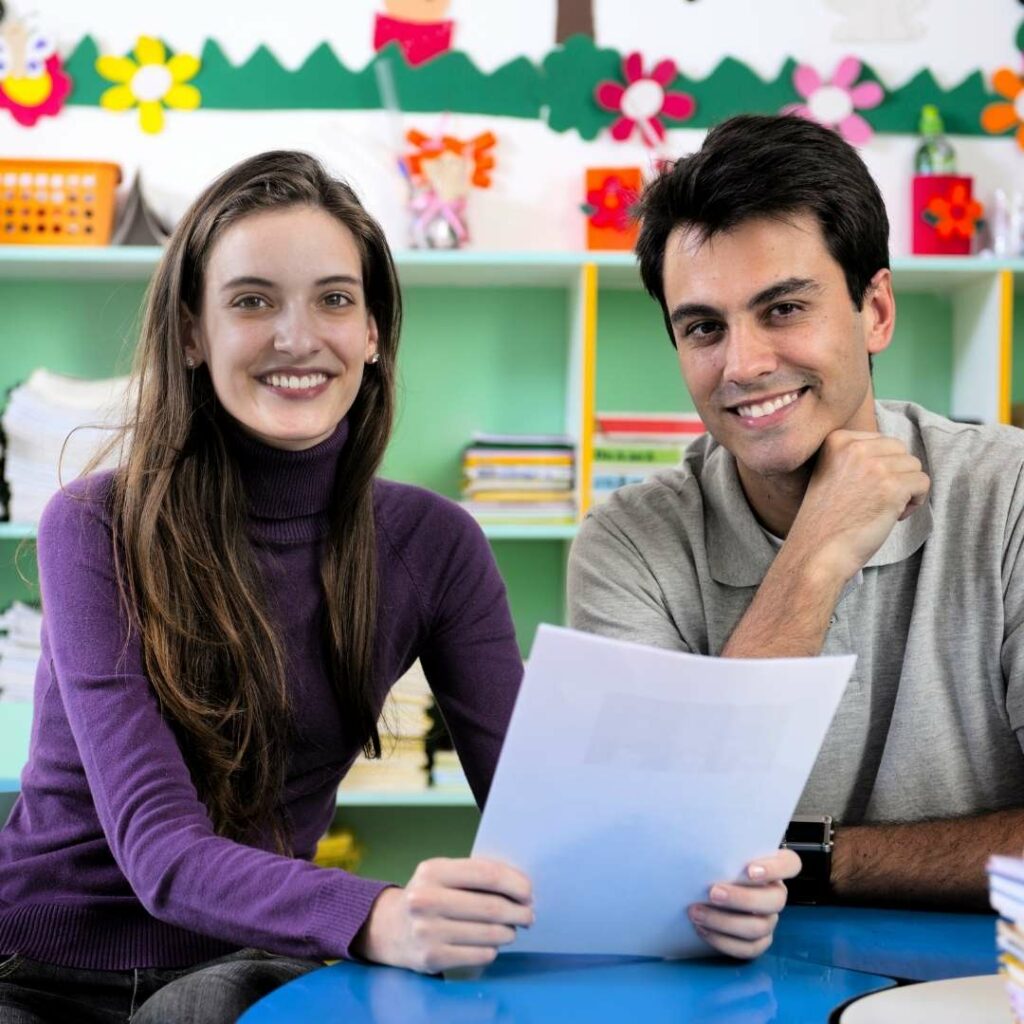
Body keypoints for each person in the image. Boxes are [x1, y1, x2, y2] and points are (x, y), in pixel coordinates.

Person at [0, 150, 536, 1023]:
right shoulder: (94, 524)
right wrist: (377, 912)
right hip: (41, 966)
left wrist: (695, 898)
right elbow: (162, 852)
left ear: (371, 331)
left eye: (334, 298)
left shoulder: (436, 544)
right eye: (252, 301)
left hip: (242, 967)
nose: (298, 336)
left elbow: (538, 804)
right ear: (190, 332)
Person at [569, 113, 1024, 914]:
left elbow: (702, 849)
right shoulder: (627, 543)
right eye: (704, 327)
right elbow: (656, 846)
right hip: (725, 981)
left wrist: (812, 858)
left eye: (782, 310)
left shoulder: (1011, 493)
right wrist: (815, 553)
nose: (741, 365)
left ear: (875, 310)